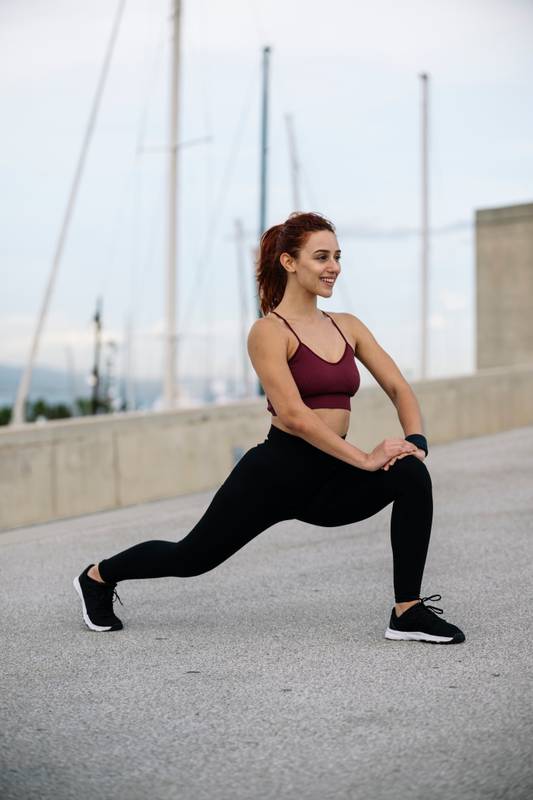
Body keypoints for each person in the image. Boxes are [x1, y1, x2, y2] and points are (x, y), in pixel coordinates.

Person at [73, 211, 465, 645]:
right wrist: (367, 459)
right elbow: (294, 415)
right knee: (191, 557)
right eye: (321, 256)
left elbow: (397, 385)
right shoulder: (268, 332)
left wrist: (416, 442)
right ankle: (97, 576)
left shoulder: (348, 326)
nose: (333, 266)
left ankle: (407, 611)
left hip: (331, 476)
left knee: (411, 475)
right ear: (289, 262)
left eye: (337, 256)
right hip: (277, 473)